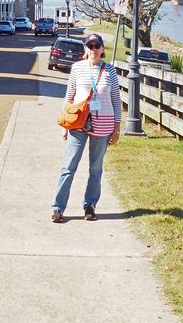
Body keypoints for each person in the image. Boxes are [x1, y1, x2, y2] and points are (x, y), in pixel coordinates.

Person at [51, 33, 122, 223]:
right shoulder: (77, 68)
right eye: (90, 46)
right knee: (68, 167)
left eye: (96, 46)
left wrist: (117, 128)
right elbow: (69, 96)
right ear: (85, 49)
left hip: (103, 125)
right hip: (78, 123)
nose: (93, 50)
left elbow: (116, 100)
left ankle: (90, 206)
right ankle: (58, 207)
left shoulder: (110, 71)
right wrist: (65, 125)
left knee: (95, 169)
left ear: (102, 49)